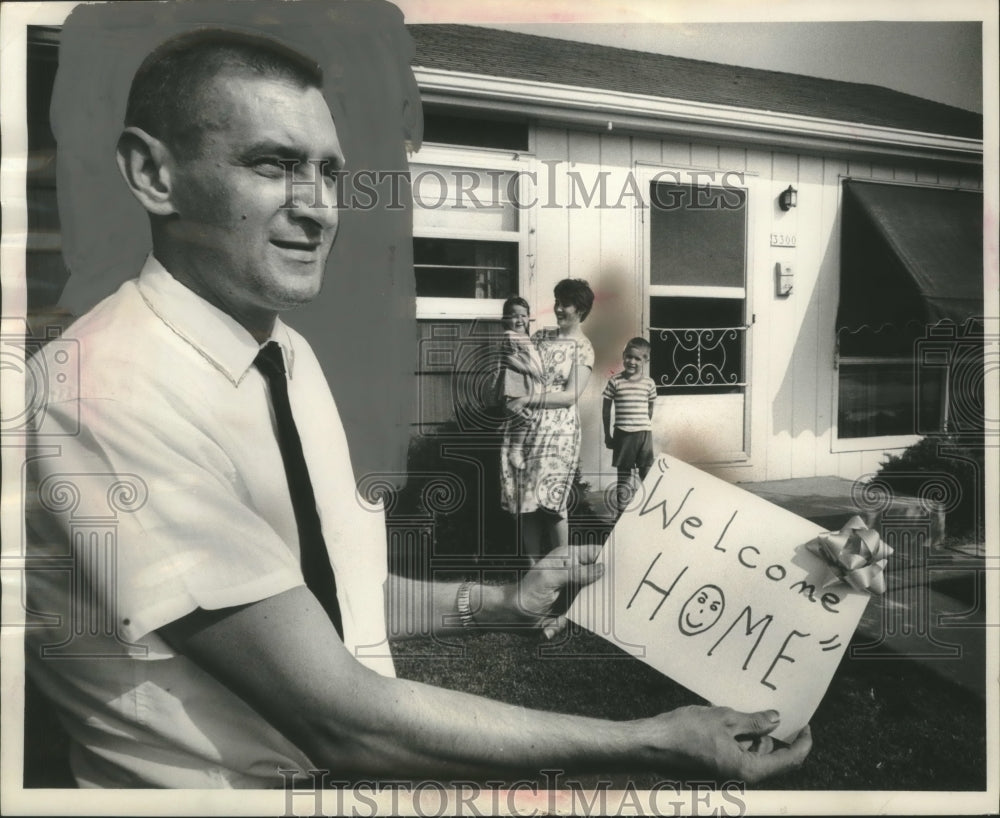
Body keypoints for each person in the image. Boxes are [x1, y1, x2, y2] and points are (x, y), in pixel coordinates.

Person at [24, 28, 811, 789]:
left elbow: (329, 594)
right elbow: (344, 720)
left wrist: (500, 601)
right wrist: (649, 741)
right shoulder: (104, 393)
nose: (320, 208)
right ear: (153, 174)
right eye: (272, 164)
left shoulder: (283, 355)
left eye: (330, 173)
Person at [500, 279, 596, 561]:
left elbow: (569, 396)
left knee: (552, 504)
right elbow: (520, 368)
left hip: (558, 430)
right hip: (527, 424)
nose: (557, 308)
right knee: (526, 502)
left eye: (564, 303)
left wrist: (527, 399)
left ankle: (561, 569)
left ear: (580, 309)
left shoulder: (583, 348)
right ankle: (533, 571)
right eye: (556, 302)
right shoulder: (541, 336)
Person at [603, 337, 658, 512]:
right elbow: (605, 410)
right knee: (624, 476)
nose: (632, 361)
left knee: (646, 472)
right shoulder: (615, 381)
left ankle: (653, 509)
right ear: (623, 355)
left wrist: (643, 426)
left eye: (637, 358)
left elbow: (650, 408)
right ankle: (621, 514)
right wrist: (607, 435)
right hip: (623, 434)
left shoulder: (649, 383)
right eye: (628, 356)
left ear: (646, 360)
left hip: (643, 434)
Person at [496, 296, 544, 470]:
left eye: (523, 315)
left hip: (525, 384)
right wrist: (529, 369)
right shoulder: (510, 336)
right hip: (516, 382)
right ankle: (515, 450)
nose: (519, 319)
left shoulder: (525, 338)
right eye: (514, 316)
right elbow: (508, 358)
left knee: (525, 416)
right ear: (505, 319)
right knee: (523, 417)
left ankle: (511, 435)